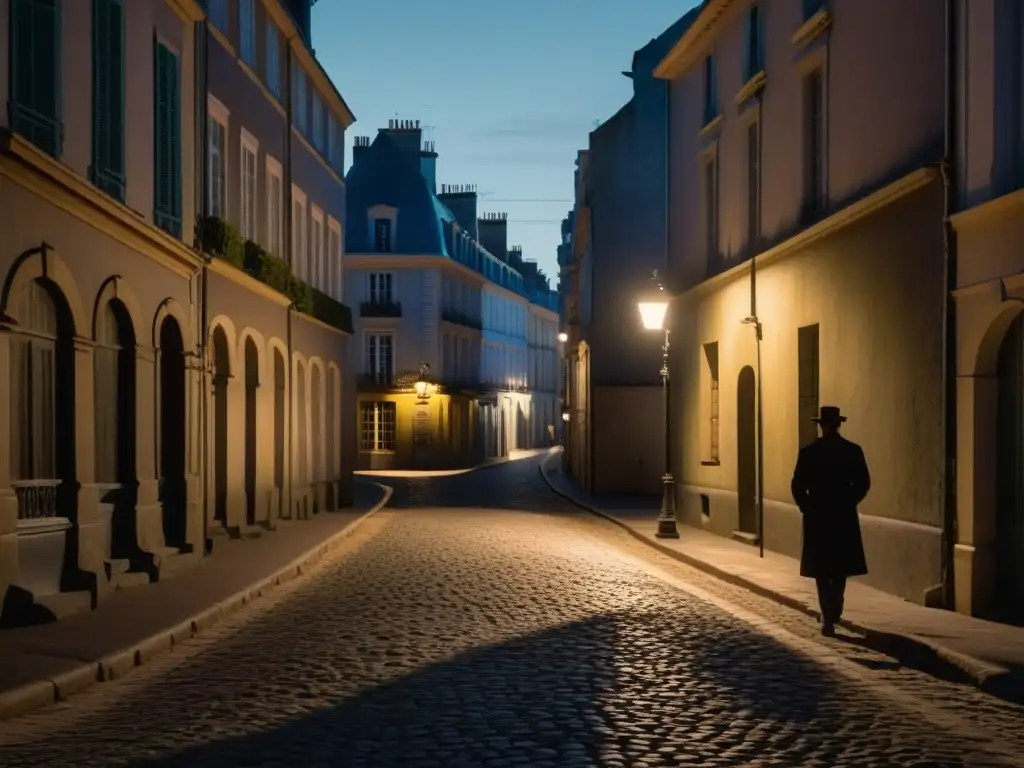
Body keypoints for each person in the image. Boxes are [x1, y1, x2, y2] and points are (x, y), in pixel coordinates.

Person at [790, 406, 871, 637]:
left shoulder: (810, 452)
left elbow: (797, 485)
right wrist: (850, 501)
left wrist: (807, 507)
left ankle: (828, 615)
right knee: (840, 567)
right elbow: (864, 483)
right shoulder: (852, 451)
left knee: (822, 570)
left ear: (821, 425)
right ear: (838, 425)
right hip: (843, 515)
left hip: (818, 516)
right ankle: (834, 608)